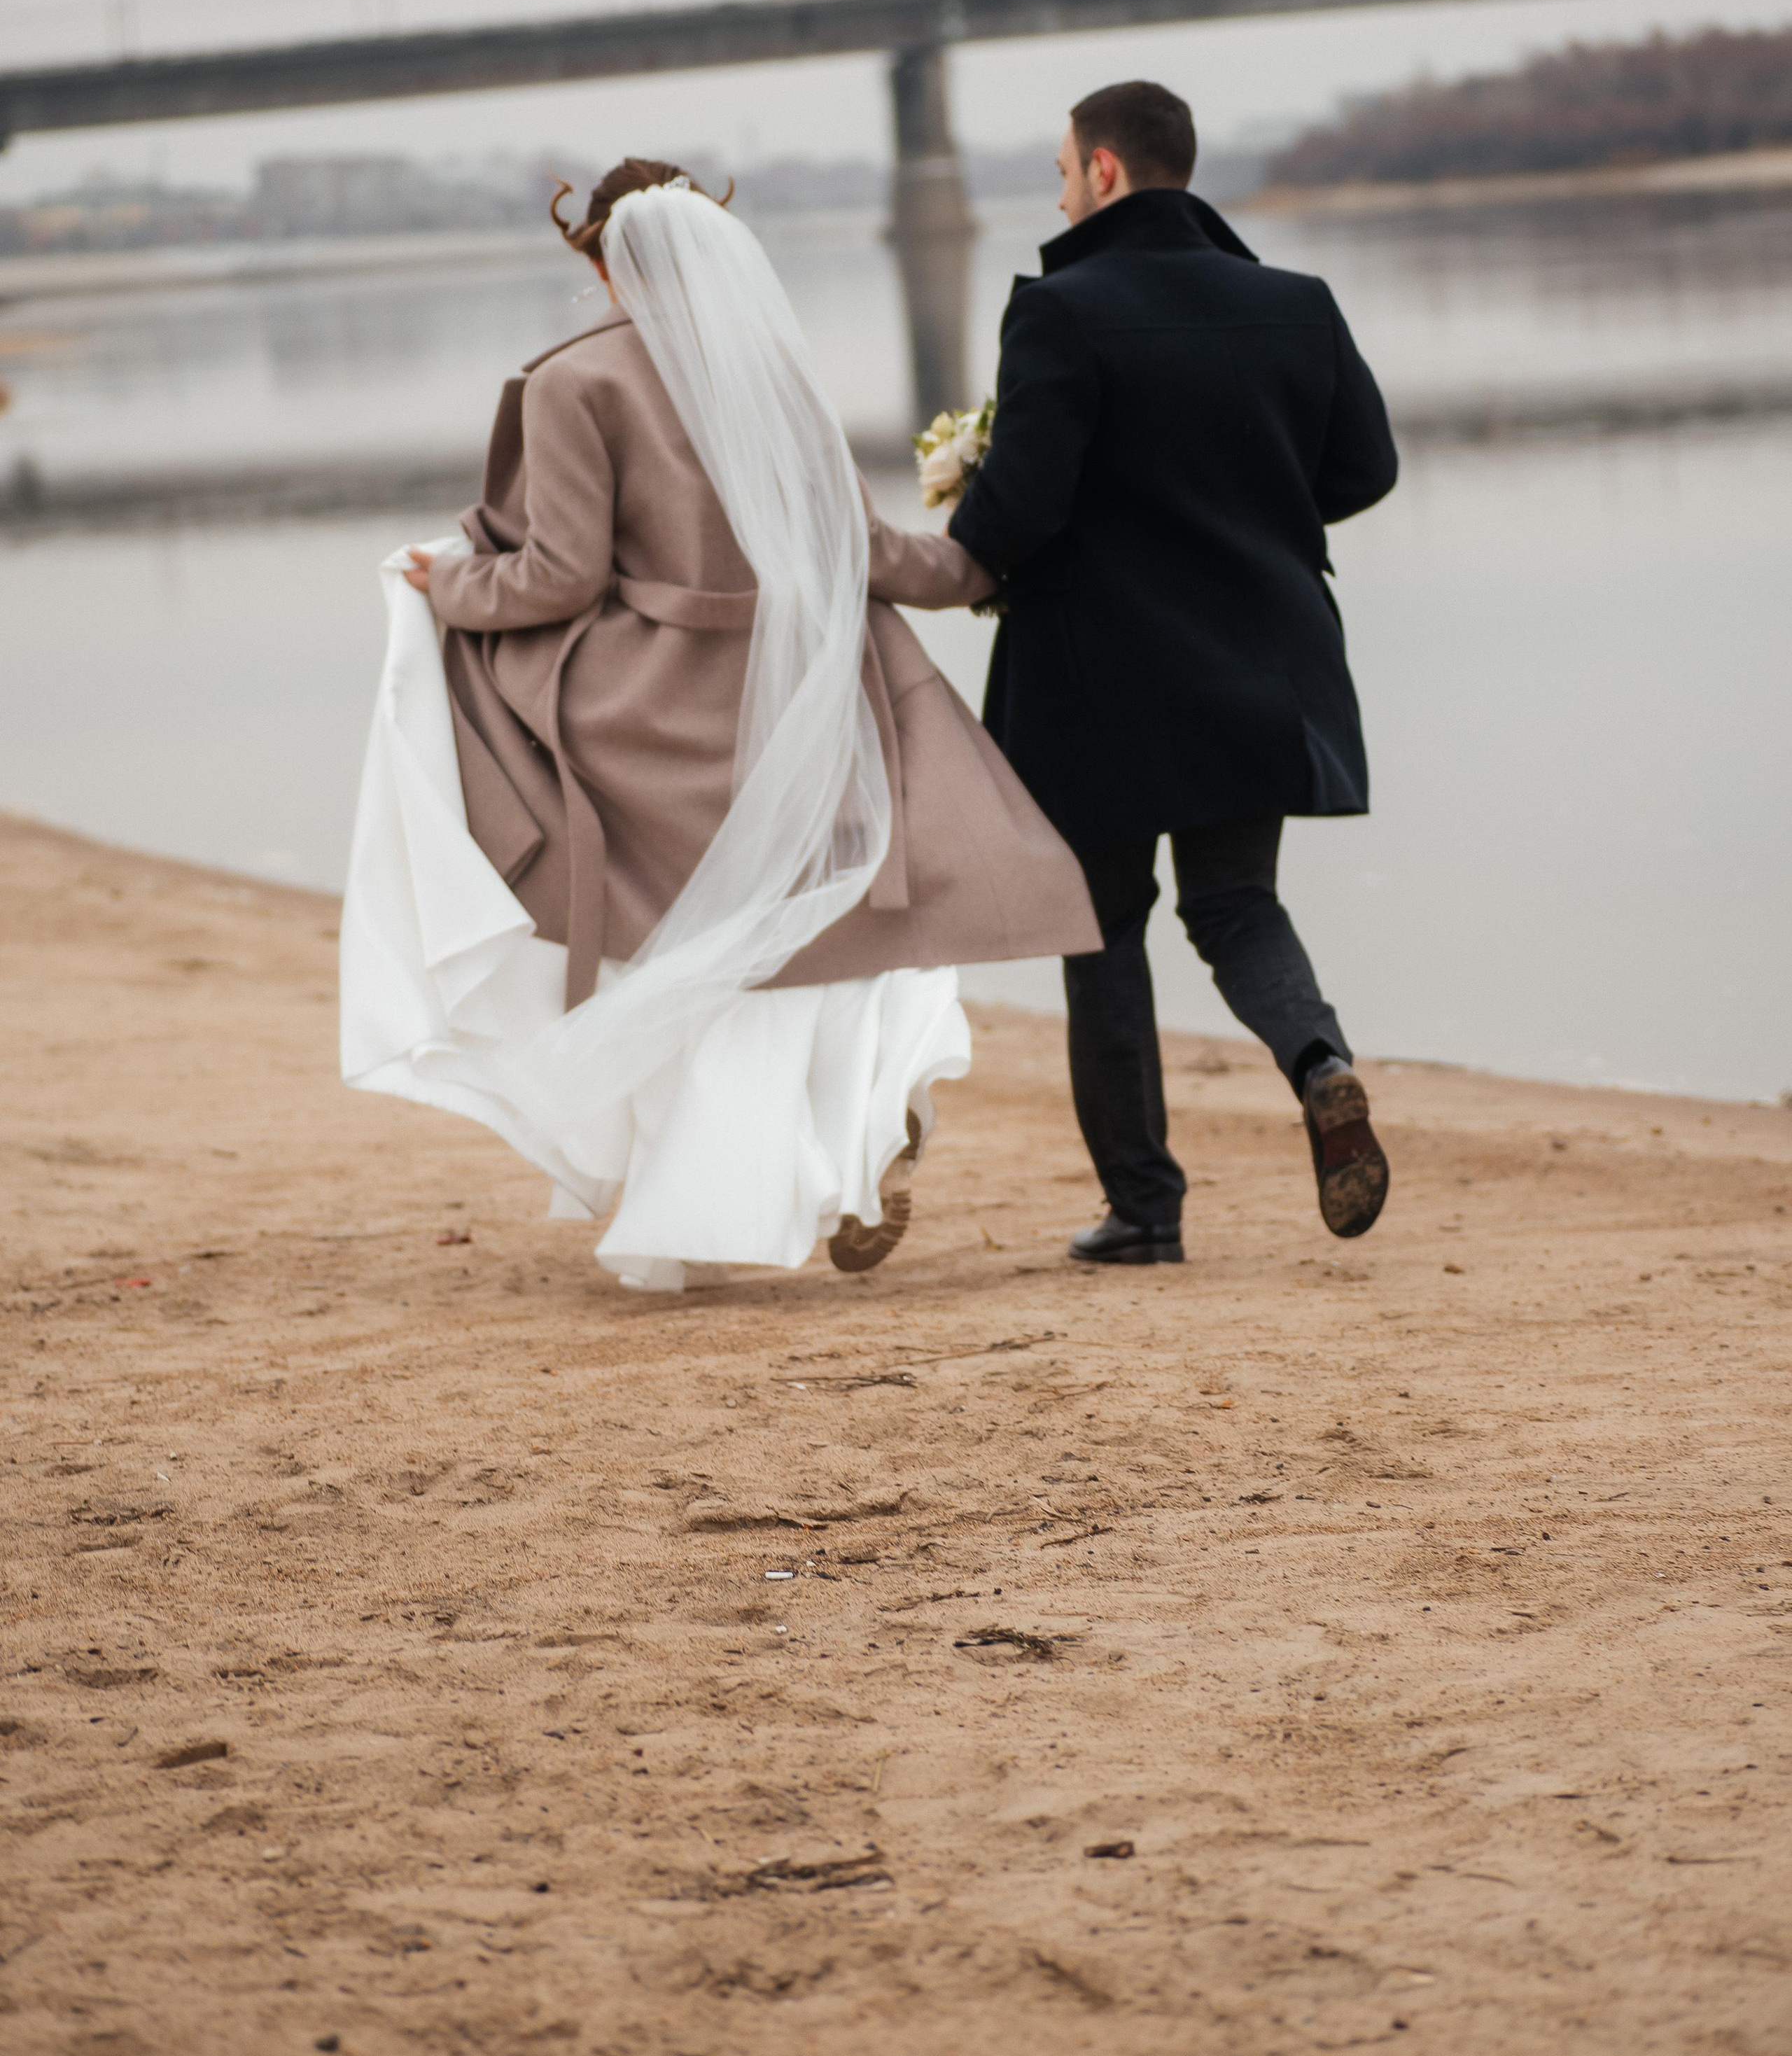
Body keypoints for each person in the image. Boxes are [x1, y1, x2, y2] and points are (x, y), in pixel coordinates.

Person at [339, 160, 1097, 1292]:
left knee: (673, 956)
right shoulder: (769, 367)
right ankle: (871, 1119)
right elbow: (861, 549)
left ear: (601, 260)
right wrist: (977, 567)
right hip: (802, 702)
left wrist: (447, 583)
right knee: (833, 934)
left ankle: (723, 1188)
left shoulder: (572, 383)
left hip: (651, 713)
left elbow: (558, 578)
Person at [946, 81, 1399, 1265]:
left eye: (1061, 172)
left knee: (1102, 928)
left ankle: (1145, 1213)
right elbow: (1366, 468)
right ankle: (1321, 1061)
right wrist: (1252, 515)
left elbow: (1021, 509)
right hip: (1261, 658)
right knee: (1236, 904)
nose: (1058, 197)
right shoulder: (1297, 303)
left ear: (1103, 170)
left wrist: (963, 517)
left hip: (1100, 680)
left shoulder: (1060, 310)